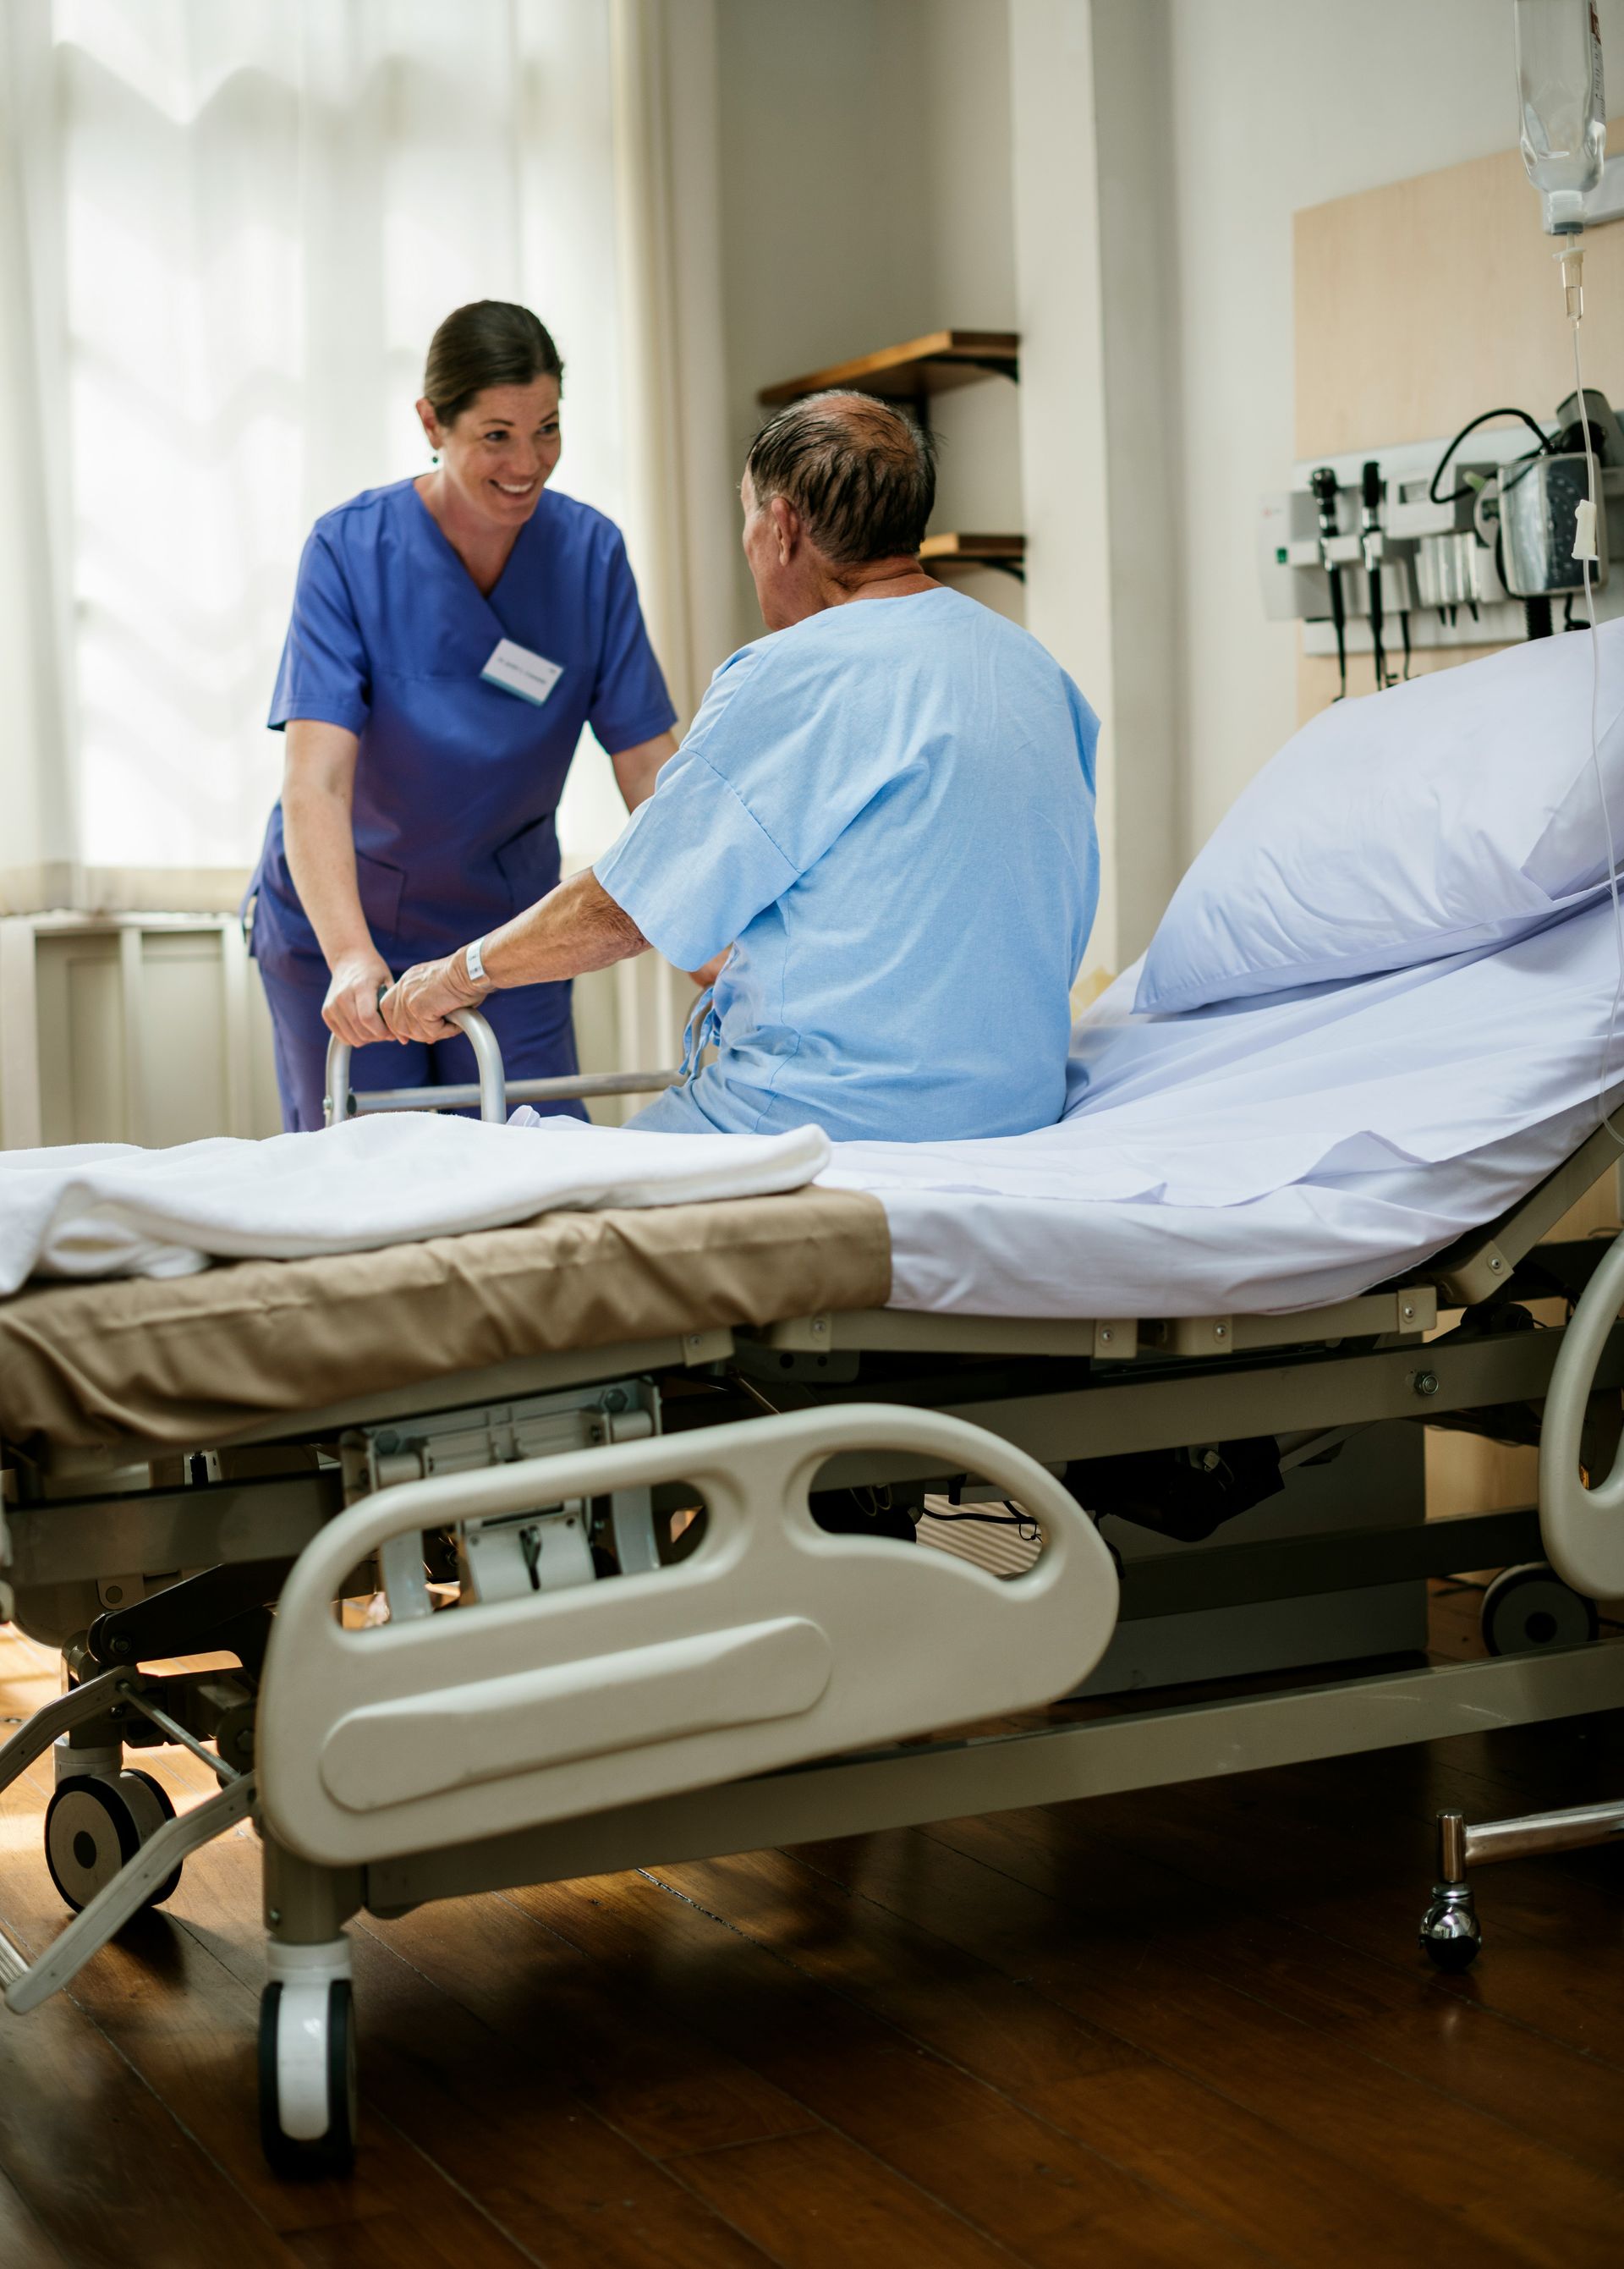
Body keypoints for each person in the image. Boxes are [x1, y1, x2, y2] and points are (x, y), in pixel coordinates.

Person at [379, 389, 1100, 1145]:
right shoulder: (1036, 673)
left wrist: (459, 974)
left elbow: (625, 904)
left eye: (751, 520)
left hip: (819, 1119)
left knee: (534, 1203)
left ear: (781, 527)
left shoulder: (796, 672)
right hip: (1015, 1119)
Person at [244, 299, 678, 1130]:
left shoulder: (590, 557)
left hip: (506, 931)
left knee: (540, 1163)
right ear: (431, 423)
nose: (528, 462)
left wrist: (708, 921)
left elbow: (648, 765)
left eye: (547, 428)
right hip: (348, 921)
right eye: (496, 435)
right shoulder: (349, 551)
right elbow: (317, 779)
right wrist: (347, 956)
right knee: (368, 1184)